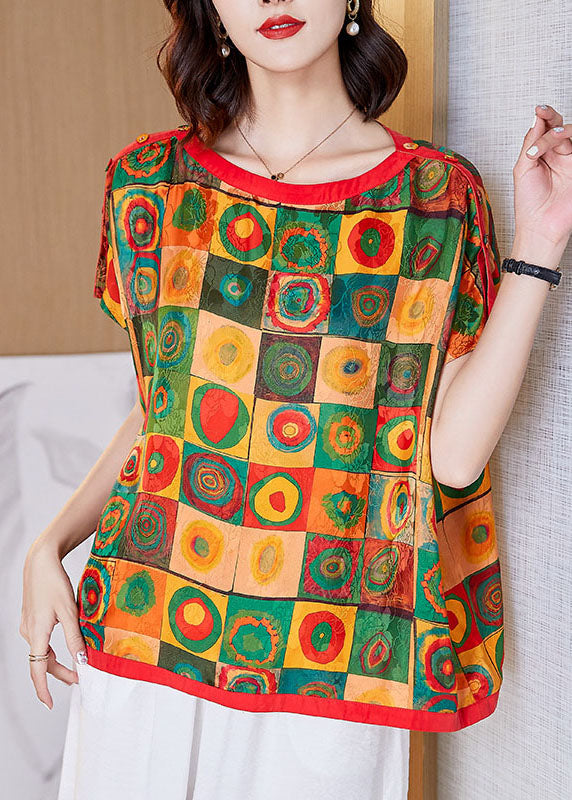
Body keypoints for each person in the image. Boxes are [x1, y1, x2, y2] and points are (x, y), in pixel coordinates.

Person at [20, 1, 571, 798]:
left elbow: (449, 458)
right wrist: (48, 545)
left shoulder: (433, 197)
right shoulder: (150, 186)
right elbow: (163, 414)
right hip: (147, 637)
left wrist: (541, 244)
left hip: (333, 659)